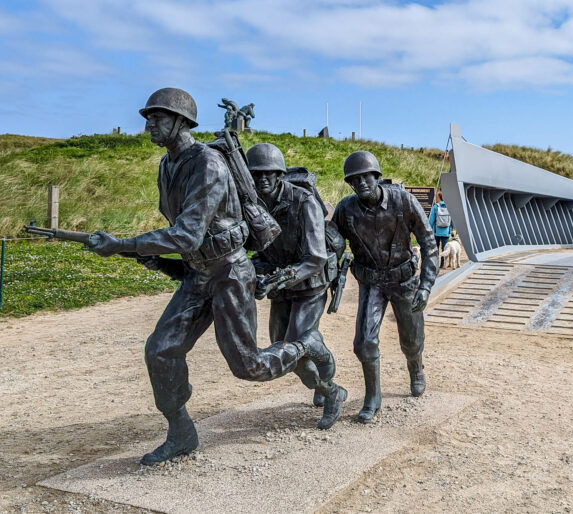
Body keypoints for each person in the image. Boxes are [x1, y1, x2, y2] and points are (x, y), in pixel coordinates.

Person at [88, 88, 336, 465]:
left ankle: (306, 345)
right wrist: (130, 248)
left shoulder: (208, 163)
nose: (149, 123)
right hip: (197, 273)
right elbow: (180, 229)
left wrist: (124, 243)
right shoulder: (166, 165)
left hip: (229, 272)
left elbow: (186, 233)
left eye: (157, 117)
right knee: (160, 349)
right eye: (148, 117)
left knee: (249, 366)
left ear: (181, 122)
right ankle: (181, 432)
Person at [331, 151, 438, 423]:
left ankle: (416, 368)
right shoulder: (345, 209)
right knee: (364, 342)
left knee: (412, 339)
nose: (361, 183)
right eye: (354, 180)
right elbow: (332, 244)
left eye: (365, 177)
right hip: (372, 283)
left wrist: (425, 286)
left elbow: (428, 242)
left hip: (404, 281)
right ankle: (373, 397)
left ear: (376, 176)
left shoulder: (403, 201)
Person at [245, 142, 345, 427]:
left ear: (280, 174)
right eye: (256, 174)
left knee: (293, 352)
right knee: (280, 345)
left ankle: (332, 391)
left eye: (269, 173)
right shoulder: (253, 205)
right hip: (282, 287)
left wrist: (279, 277)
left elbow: (314, 258)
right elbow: (260, 250)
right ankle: (322, 368)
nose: (262, 179)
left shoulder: (304, 202)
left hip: (310, 285)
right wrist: (258, 273)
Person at [428, 190, 454, 267]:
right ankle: (443, 264)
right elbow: (452, 221)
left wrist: (429, 230)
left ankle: (435, 264)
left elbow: (431, 221)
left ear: (439, 197)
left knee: (435, 249)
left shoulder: (435, 207)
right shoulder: (450, 207)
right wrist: (452, 229)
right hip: (446, 232)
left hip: (436, 232)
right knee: (445, 249)